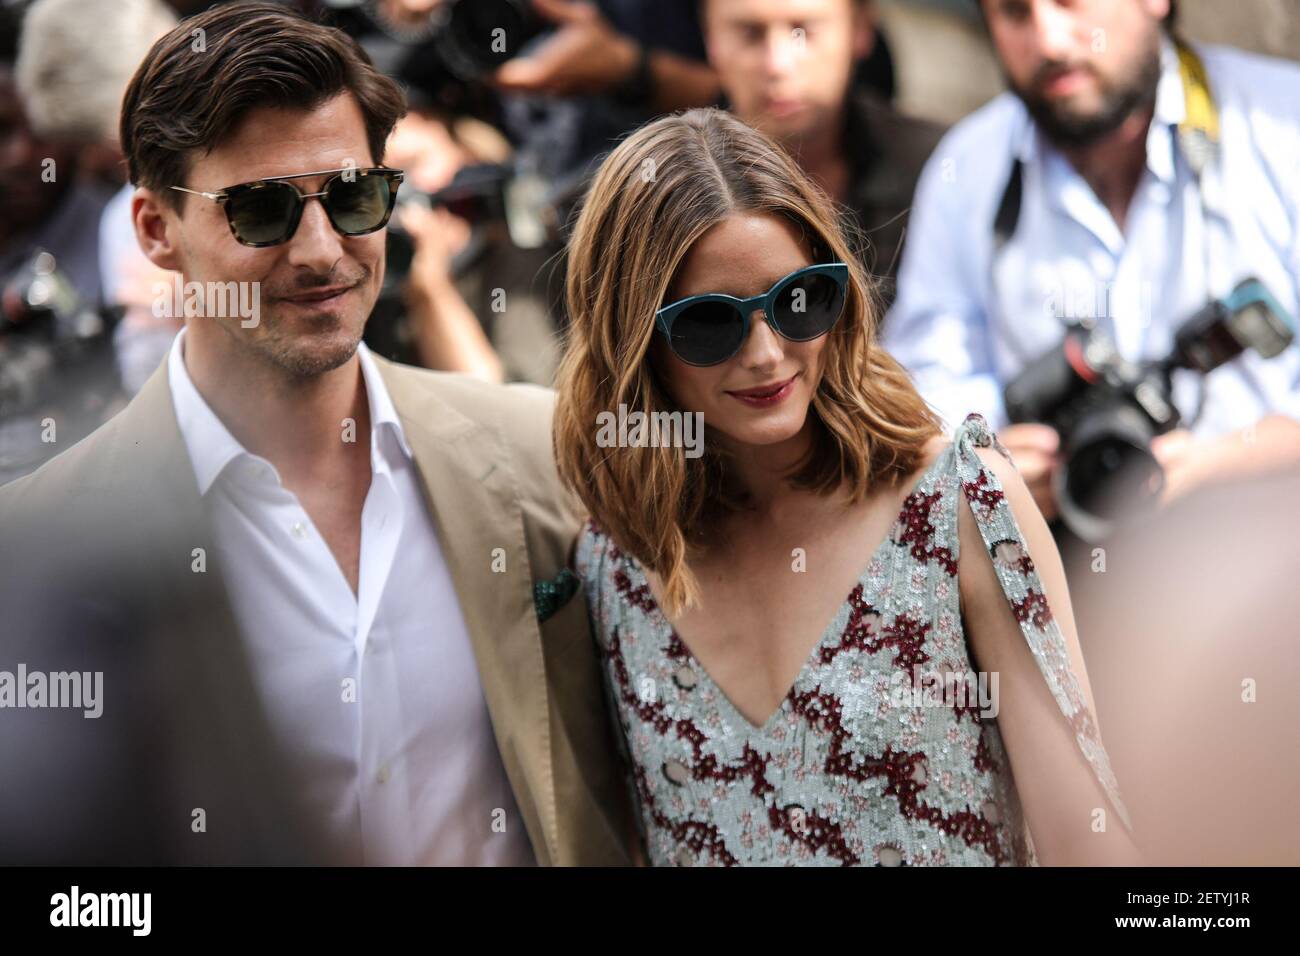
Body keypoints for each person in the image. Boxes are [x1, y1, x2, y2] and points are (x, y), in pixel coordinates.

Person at [0, 1, 635, 866]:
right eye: (259, 211)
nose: (320, 250)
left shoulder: (540, 452)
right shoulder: (44, 545)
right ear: (156, 231)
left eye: (354, 196)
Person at [553, 107, 1141, 866]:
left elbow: (1085, 840)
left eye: (800, 301)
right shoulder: (612, 564)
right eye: (710, 324)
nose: (766, 354)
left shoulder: (959, 503)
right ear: (635, 344)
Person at [886, 0, 1300, 522]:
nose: (1050, 41)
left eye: (1069, 2)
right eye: (1014, 13)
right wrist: (989, 463)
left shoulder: (1285, 126)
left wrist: (1235, 460)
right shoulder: (965, 167)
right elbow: (925, 382)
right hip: (1057, 558)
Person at [702, 0, 944, 297]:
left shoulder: (941, 166)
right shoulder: (669, 186)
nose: (778, 64)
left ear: (861, 29)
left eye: (803, 30)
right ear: (710, 39)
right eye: (750, 33)